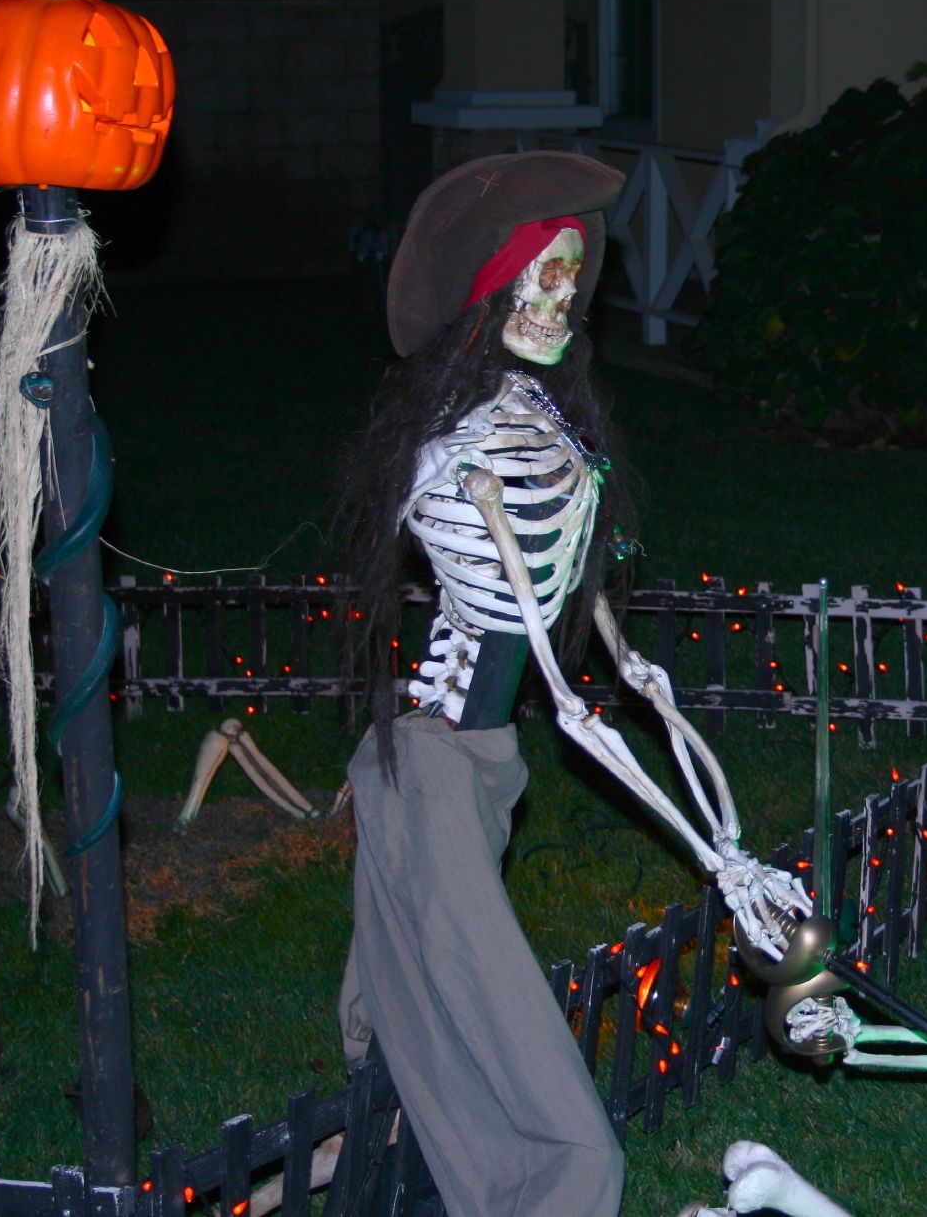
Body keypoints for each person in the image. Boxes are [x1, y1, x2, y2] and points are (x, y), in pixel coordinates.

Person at [334, 150, 631, 1217]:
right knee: (487, 989)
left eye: (569, 275)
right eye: (536, 275)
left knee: (425, 963)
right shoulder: (451, 452)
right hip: (438, 750)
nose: (558, 297)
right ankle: (563, 1178)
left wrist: (624, 667)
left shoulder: (545, 425)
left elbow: (565, 590)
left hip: (487, 755)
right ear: (488, 290)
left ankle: (380, 1093)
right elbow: (506, 594)